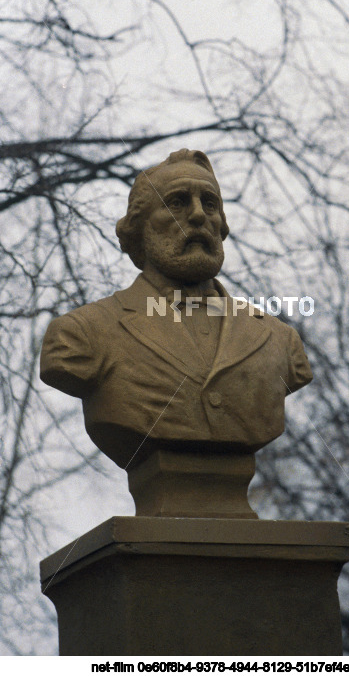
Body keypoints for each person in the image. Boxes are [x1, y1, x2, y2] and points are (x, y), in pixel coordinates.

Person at [40, 149, 312, 512]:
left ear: (222, 224)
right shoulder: (81, 335)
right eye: (177, 203)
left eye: (210, 203)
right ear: (139, 227)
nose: (198, 214)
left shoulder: (280, 341)